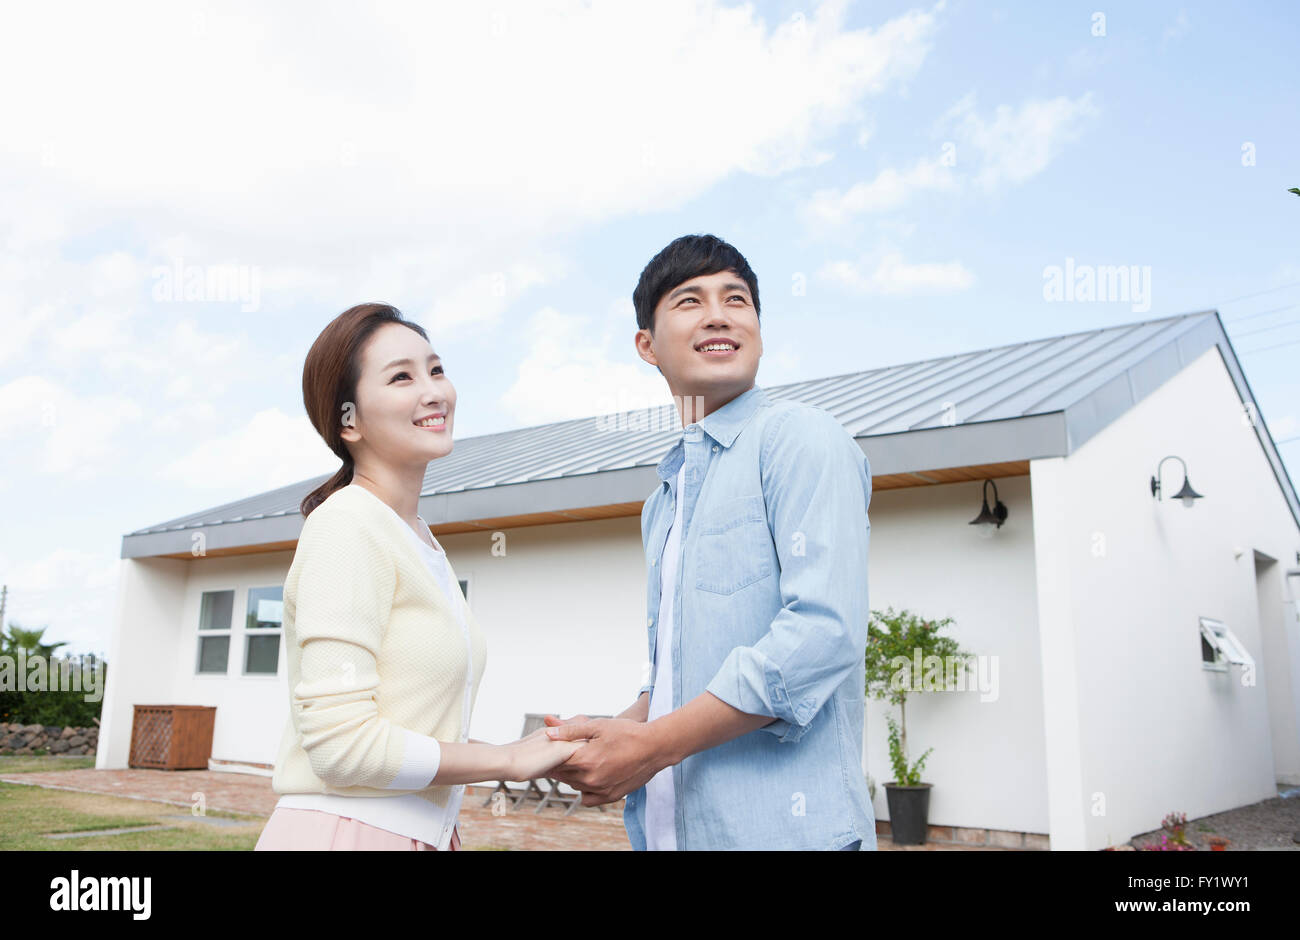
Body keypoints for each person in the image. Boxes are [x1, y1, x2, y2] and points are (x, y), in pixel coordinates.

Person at [546, 234, 876, 850]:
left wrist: (650, 747)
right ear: (646, 345)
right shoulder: (662, 501)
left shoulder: (800, 439)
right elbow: (672, 674)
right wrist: (610, 735)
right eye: (690, 301)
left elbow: (822, 633)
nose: (719, 313)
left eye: (737, 299)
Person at [256, 303, 580, 851]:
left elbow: (414, 732)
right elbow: (340, 746)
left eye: (436, 369)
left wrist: (524, 749)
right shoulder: (348, 523)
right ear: (347, 420)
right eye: (402, 376)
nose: (434, 391)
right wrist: (506, 760)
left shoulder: (417, 539)